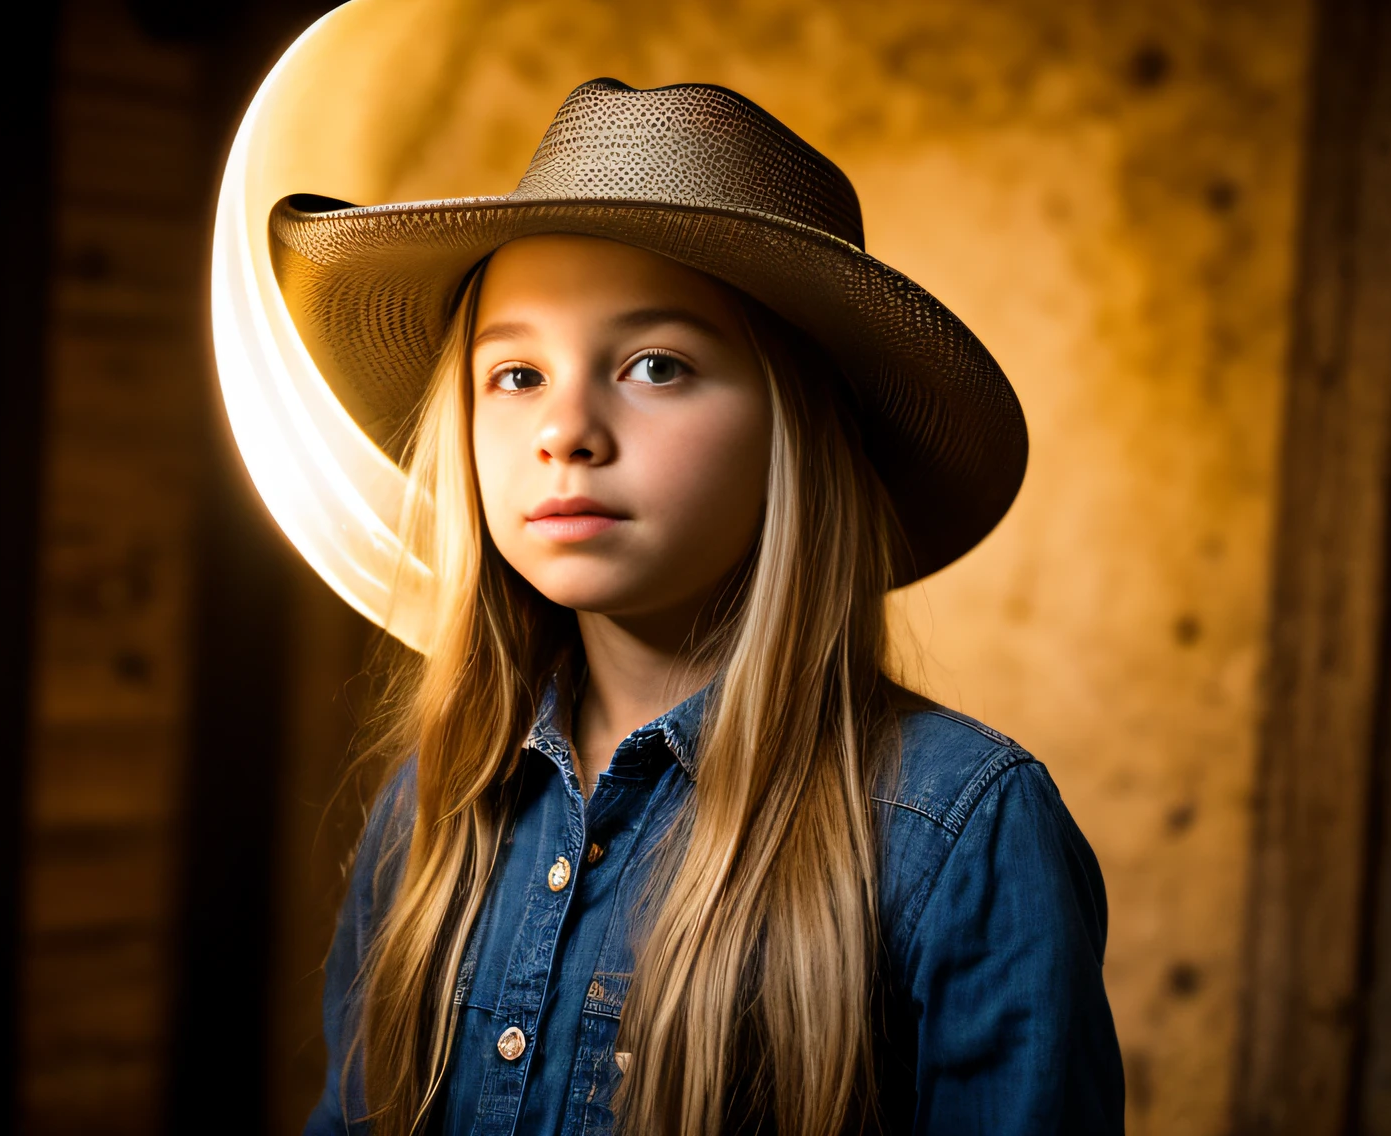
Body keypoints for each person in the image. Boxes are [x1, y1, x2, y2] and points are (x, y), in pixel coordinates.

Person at [280, 78, 1123, 1136]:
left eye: (654, 364)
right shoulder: (434, 806)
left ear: (794, 437)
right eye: (517, 373)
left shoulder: (962, 832)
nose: (567, 428)